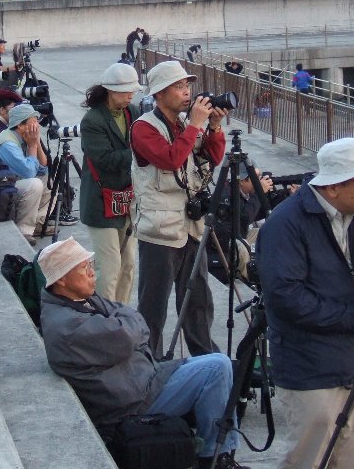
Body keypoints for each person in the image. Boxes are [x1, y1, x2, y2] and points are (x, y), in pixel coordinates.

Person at [257, 137, 354, 469]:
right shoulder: (286, 225)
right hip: (310, 369)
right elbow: (285, 298)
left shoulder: (352, 212)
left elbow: (352, 268)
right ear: (334, 187)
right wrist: (351, 318)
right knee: (309, 461)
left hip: (353, 363)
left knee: (353, 463)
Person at [39, 238, 246, 469]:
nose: (91, 272)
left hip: (143, 379)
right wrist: (131, 332)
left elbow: (129, 317)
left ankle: (219, 452)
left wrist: (130, 330)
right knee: (217, 367)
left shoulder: (77, 298)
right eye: (83, 267)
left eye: (90, 264)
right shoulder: (69, 327)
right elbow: (128, 333)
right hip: (135, 403)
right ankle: (214, 458)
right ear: (62, 279)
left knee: (223, 367)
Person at [131, 60, 227, 359]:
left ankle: (205, 362)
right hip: (160, 231)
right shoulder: (143, 127)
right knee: (153, 306)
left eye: (187, 86)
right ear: (159, 93)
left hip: (190, 226)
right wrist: (197, 124)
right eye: (178, 87)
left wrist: (213, 127)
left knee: (198, 301)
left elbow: (211, 158)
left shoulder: (185, 124)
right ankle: (148, 365)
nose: (187, 93)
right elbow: (170, 159)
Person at [78, 63, 141, 303]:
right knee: (110, 265)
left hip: (128, 198)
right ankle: (105, 314)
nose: (130, 95)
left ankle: (121, 312)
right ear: (110, 90)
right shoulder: (93, 120)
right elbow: (104, 159)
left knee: (128, 264)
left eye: (132, 91)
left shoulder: (133, 112)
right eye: (126, 91)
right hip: (100, 201)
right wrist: (140, 151)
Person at [0, 103, 52, 245]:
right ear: (21, 126)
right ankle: (25, 230)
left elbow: (42, 167)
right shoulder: (8, 143)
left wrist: (36, 143)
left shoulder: (23, 138)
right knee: (34, 184)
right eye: (33, 122)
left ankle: (38, 224)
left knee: (49, 180)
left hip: (5, 182)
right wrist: (33, 146)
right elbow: (29, 173)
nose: (37, 126)